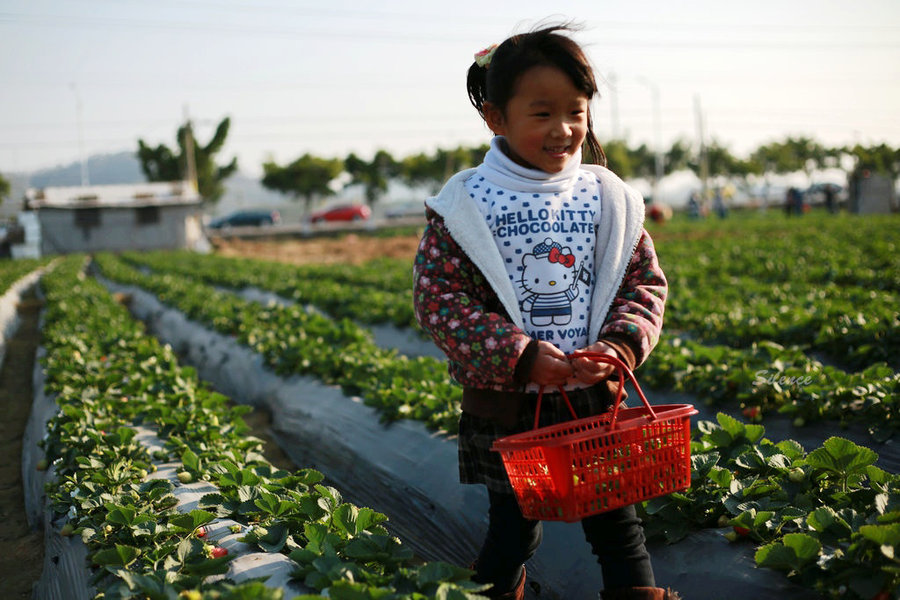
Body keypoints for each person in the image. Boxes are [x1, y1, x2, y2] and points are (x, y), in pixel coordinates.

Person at [412, 24, 677, 600]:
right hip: (509, 410)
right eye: (541, 113)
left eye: (576, 112)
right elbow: (439, 300)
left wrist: (619, 348)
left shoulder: (608, 197)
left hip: (592, 402)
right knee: (513, 533)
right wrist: (522, 356)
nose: (563, 130)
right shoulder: (468, 202)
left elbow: (645, 283)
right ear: (495, 118)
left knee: (620, 530)